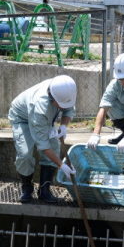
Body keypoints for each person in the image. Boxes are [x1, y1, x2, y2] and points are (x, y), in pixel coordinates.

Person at [9, 75, 77, 204]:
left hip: (45, 118)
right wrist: (62, 165)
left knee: (55, 147)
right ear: (52, 97)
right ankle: (27, 188)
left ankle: (44, 190)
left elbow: (68, 110)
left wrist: (63, 126)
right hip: (22, 118)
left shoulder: (65, 90)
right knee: (25, 154)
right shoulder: (40, 106)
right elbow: (43, 146)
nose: (62, 107)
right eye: (60, 105)